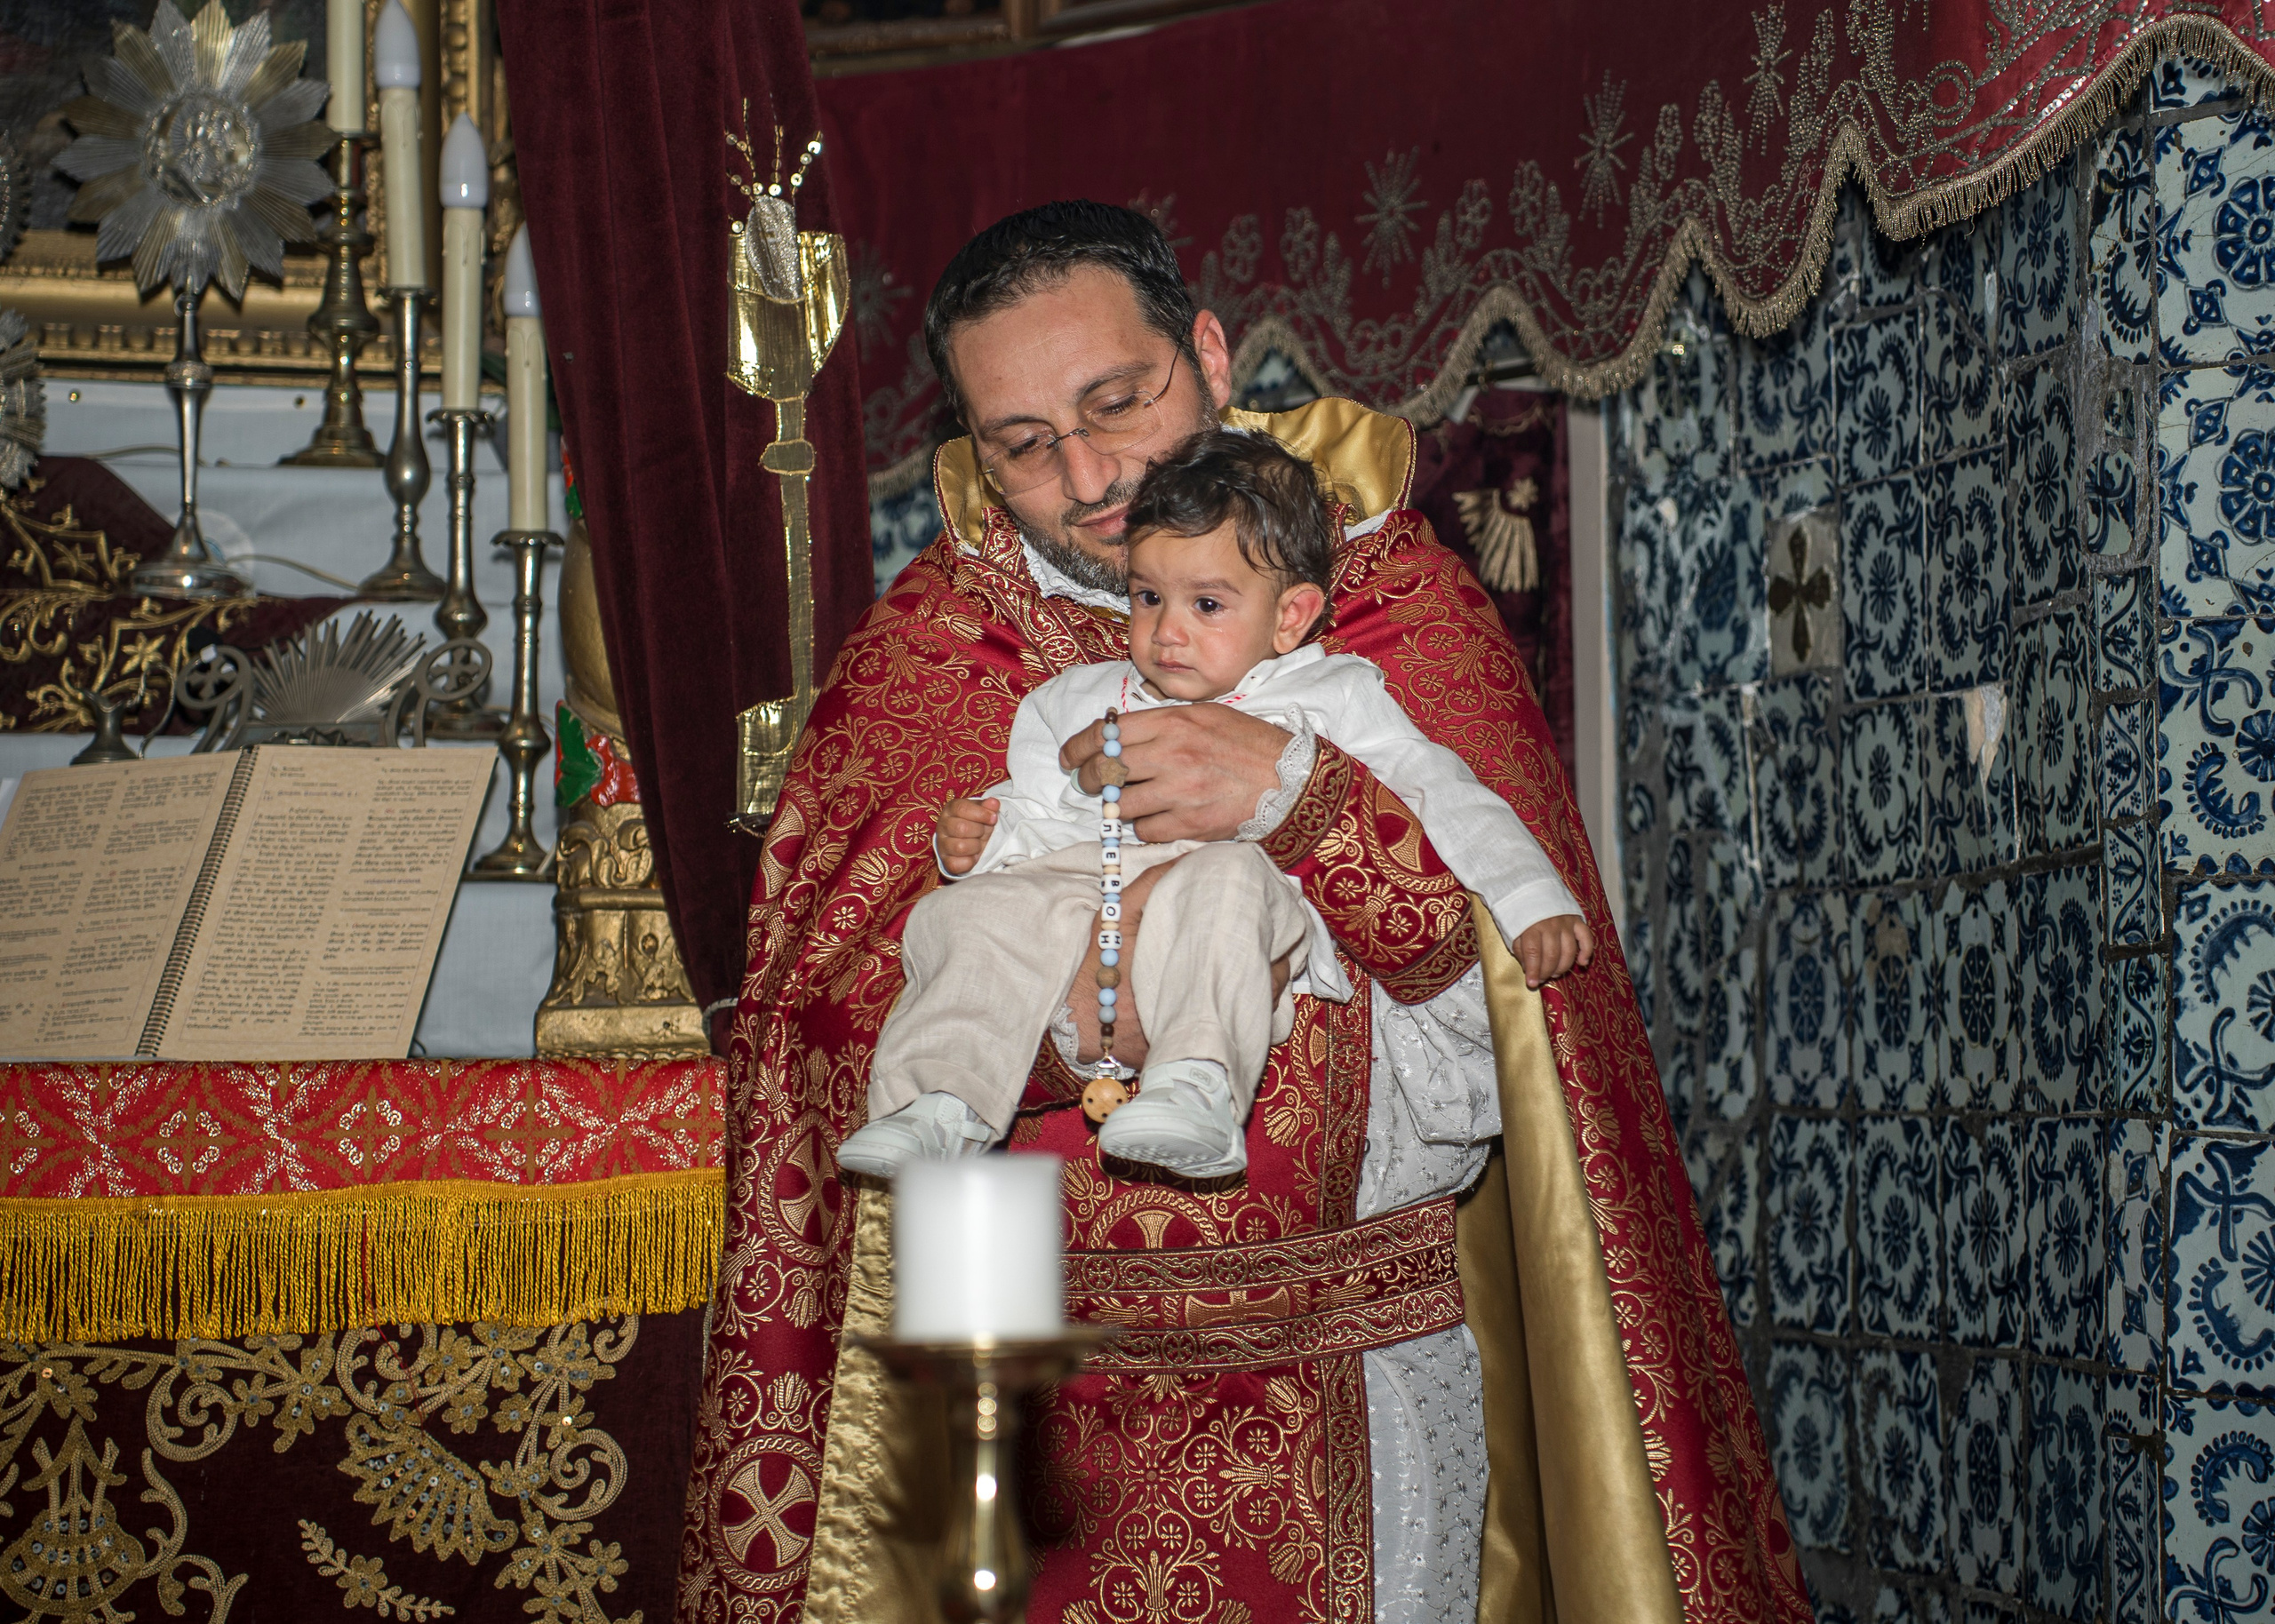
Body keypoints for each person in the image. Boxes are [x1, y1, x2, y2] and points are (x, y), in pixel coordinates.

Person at [682, 201, 1809, 1624]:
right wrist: (1078, 1017)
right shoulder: (933, 656)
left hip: (1341, 1346)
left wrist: (1305, 800)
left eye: (1117, 403)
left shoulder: (1384, 612)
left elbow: (1516, 1022)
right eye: (1023, 445)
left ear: (1207, 354)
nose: (1088, 477)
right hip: (1011, 1371)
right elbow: (816, 1029)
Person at [839, 429, 1592, 1181]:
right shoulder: (1070, 701)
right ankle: (939, 1104)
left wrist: (1530, 897)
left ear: (1291, 616)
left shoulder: (1333, 693)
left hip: (1244, 899)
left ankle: (1196, 1087)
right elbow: (1042, 817)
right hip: (1084, 894)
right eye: (1148, 596)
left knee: (1219, 886)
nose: (1167, 632)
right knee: (960, 917)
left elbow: (1441, 789)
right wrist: (987, 837)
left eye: (1206, 603)